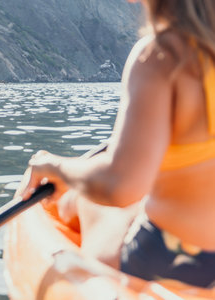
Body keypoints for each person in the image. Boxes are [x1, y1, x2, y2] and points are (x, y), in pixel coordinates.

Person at [20, 0, 215, 288]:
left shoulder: (162, 55)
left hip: (175, 258)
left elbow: (121, 185)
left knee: (84, 200)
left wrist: (56, 168)